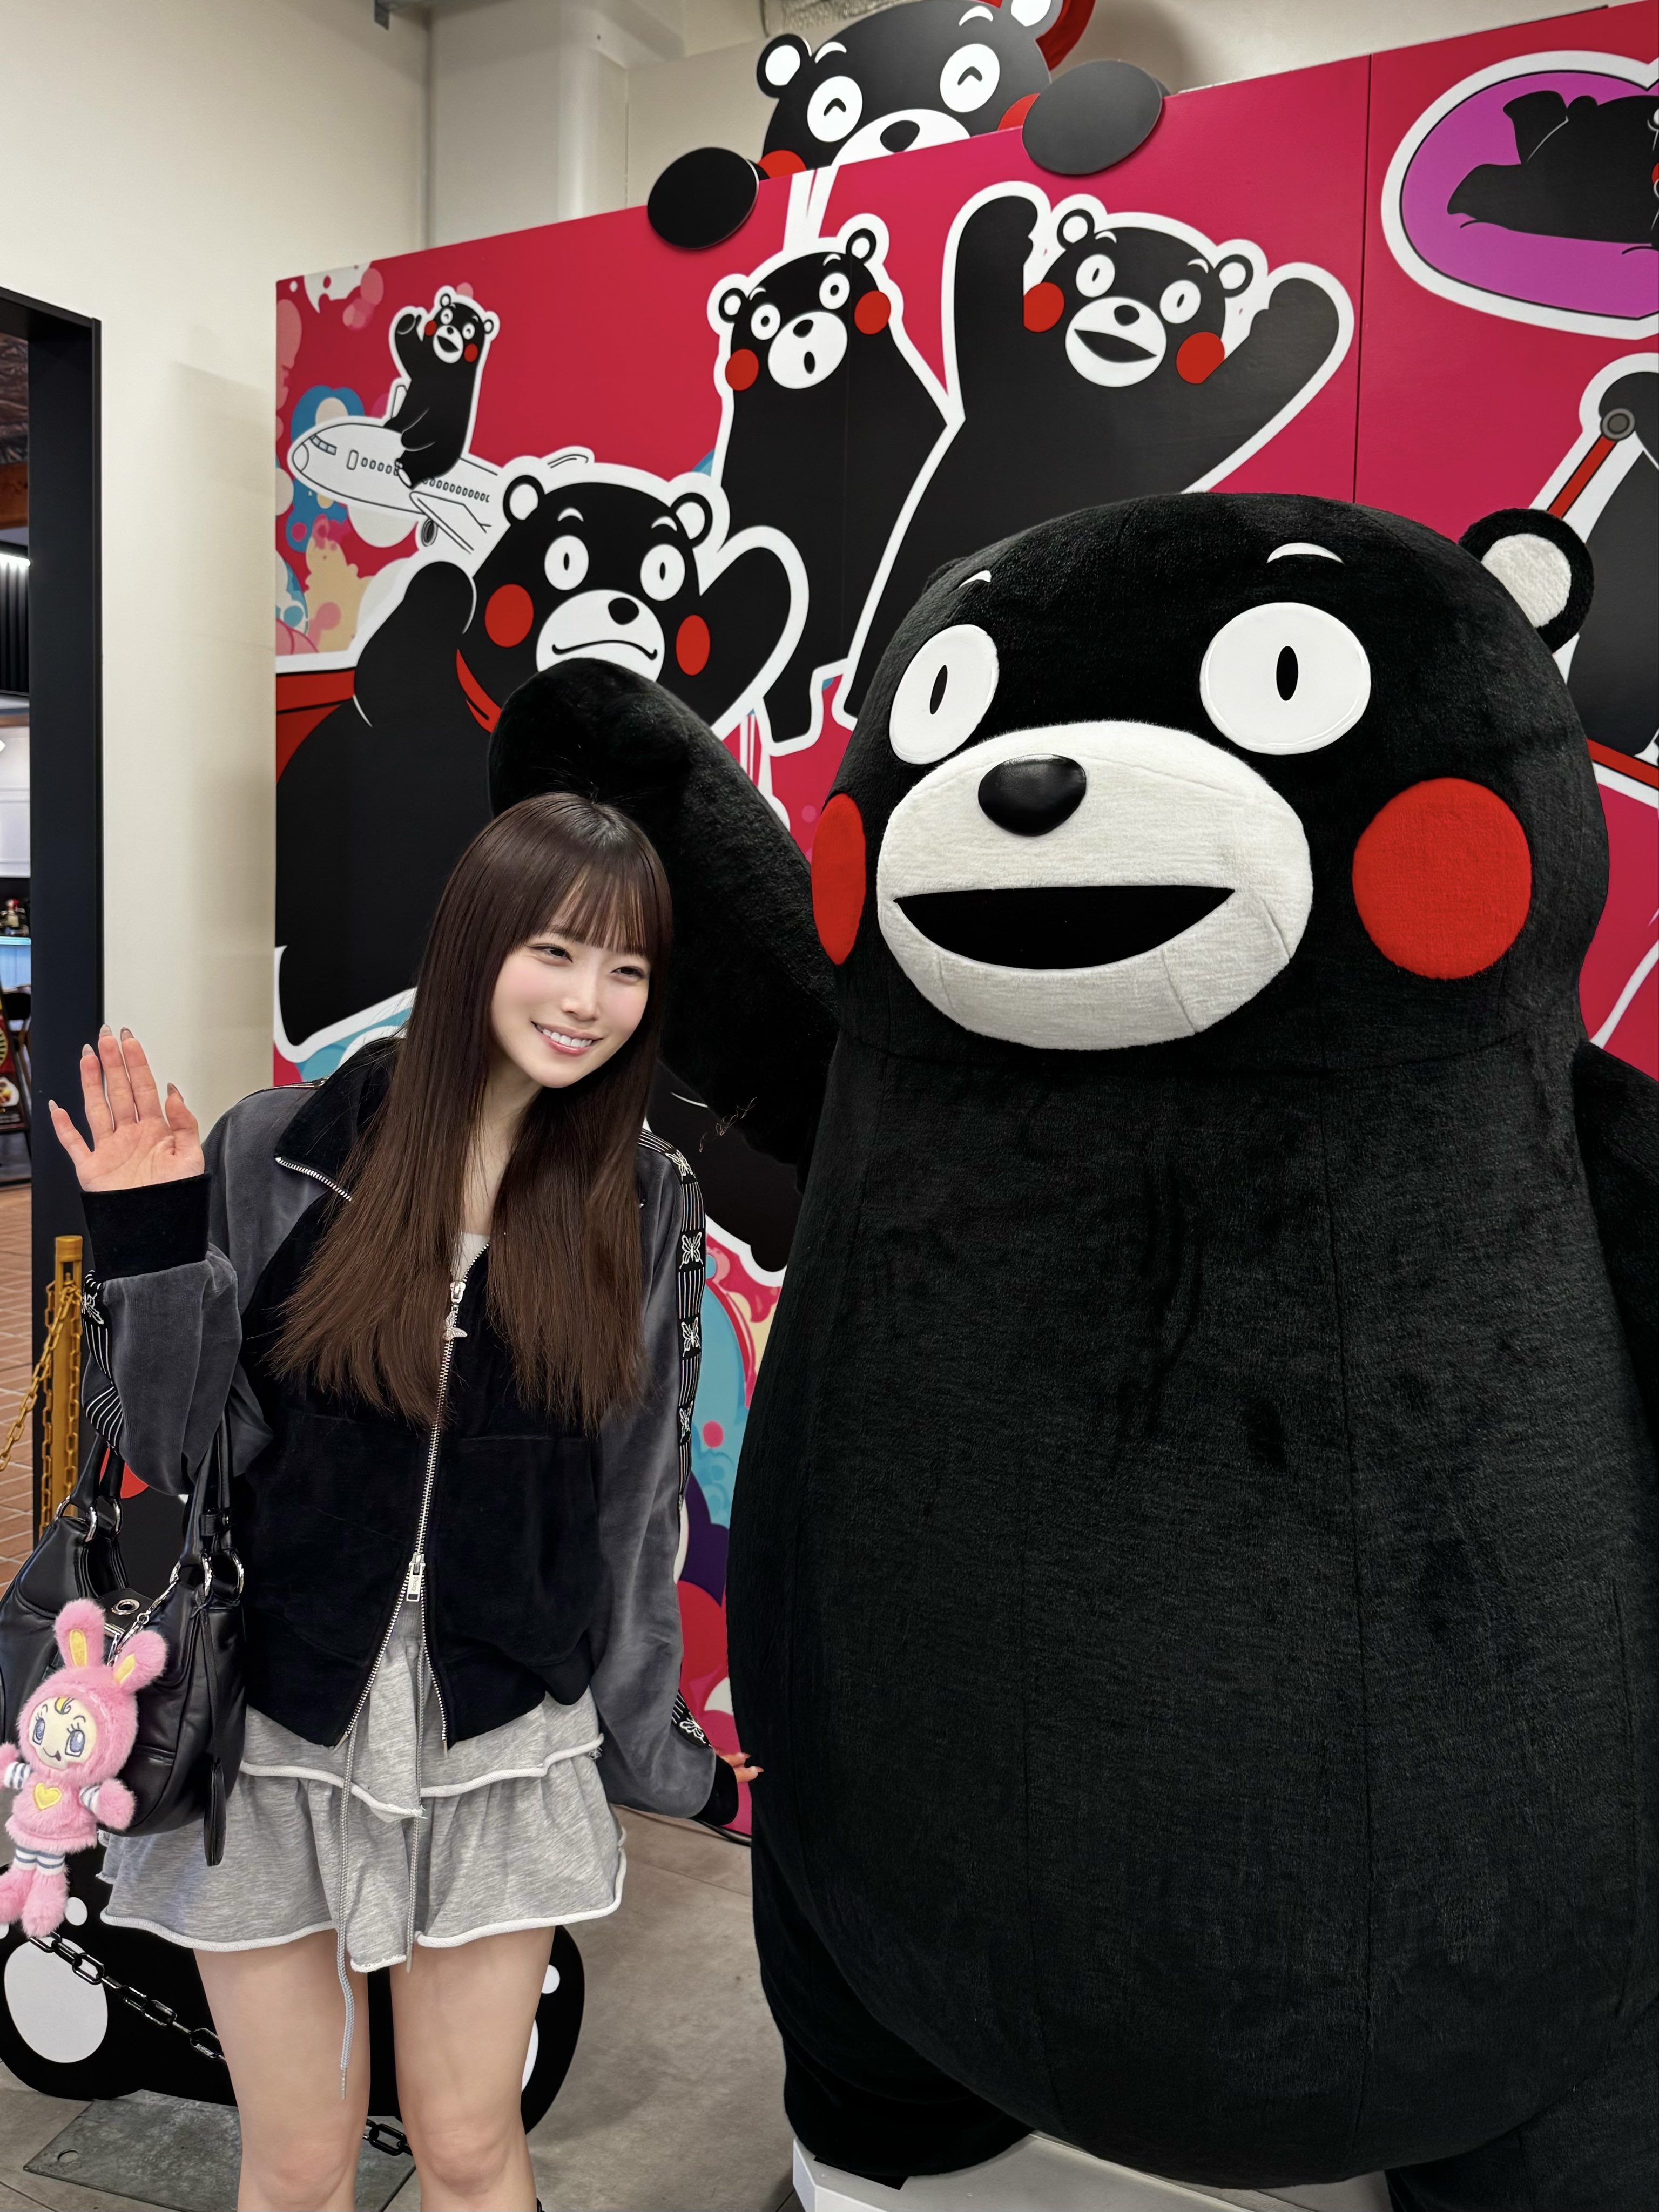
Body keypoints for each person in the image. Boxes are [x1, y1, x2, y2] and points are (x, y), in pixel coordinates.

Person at [49, 793, 757, 2212]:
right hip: (280, 1712)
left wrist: (647, 1741)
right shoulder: (280, 1148)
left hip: (498, 1719)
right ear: (477, 943)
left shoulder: (637, 1195)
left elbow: (632, 1510)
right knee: (301, 2161)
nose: (590, 1001)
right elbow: (177, 1453)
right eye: (557, 951)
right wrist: (146, 1238)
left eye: (627, 969)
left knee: (471, 2148)